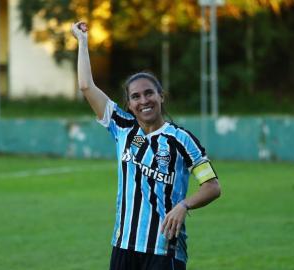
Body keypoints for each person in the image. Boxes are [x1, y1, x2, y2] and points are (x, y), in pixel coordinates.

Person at [71, 21, 221, 270]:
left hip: (164, 250)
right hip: (123, 246)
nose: (144, 100)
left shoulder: (182, 140)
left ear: (161, 96)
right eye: (136, 96)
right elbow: (86, 86)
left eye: (149, 93)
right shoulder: (122, 127)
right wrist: (82, 42)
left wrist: (184, 205)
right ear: (128, 104)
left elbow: (212, 187)